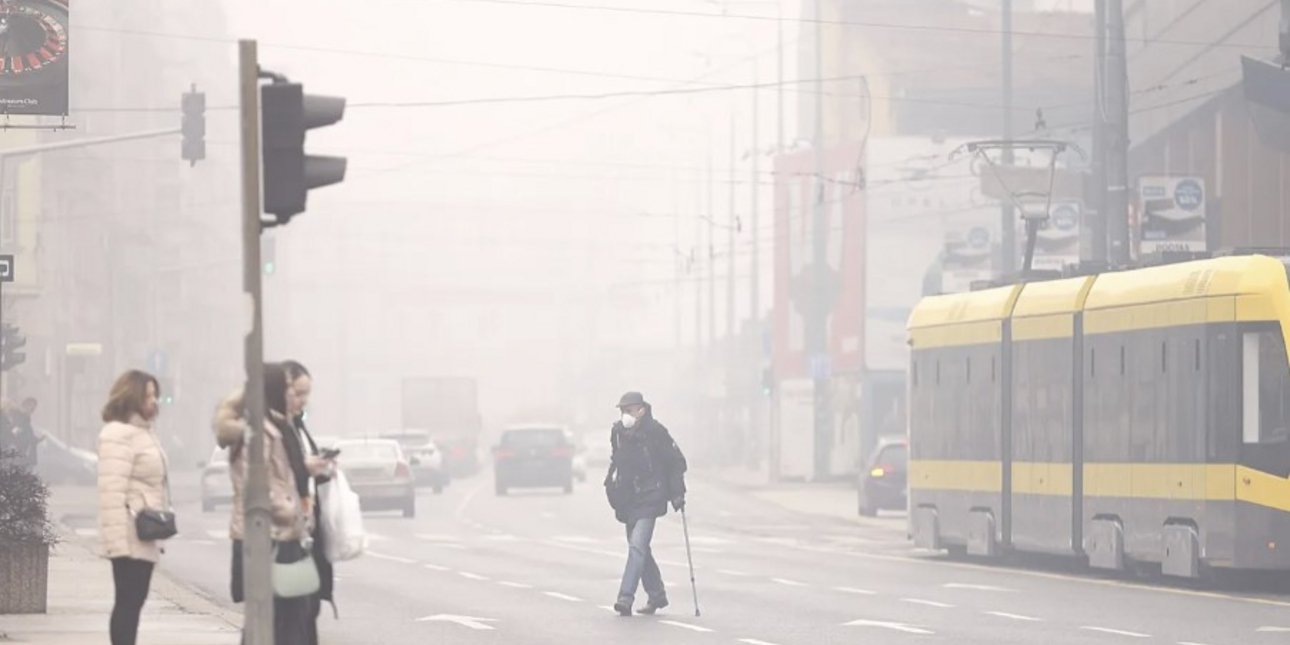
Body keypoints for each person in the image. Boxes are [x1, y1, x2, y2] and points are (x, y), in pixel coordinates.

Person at [212, 363, 316, 645]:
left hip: (279, 535)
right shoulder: (258, 433)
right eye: (287, 388)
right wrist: (290, 507)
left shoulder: (274, 427)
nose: (292, 395)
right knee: (272, 620)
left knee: (284, 618)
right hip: (265, 536)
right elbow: (254, 488)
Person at [96, 371, 168, 645]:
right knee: (127, 603)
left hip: (143, 531)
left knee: (134, 602)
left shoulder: (142, 433)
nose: (154, 402)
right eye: (148, 396)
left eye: (155, 395)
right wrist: (117, 546)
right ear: (132, 397)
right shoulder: (118, 435)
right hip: (128, 533)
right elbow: (111, 492)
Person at [604, 391, 688, 617]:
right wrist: (611, 485)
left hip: (651, 496)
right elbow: (616, 461)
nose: (626, 415)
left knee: (637, 546)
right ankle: (657, 594)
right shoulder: (618, 432)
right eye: (623, 411)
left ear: (642, 410)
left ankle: (625, 598)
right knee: (640, 549)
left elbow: (675, 462)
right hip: (629, 499)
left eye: (630, 410)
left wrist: (677, 492)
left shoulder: (656, 432)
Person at [282, 360, 337, 635]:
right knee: (288, 617)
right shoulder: (277, 429)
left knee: (307, 611)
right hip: (287, 531)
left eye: (306, 394)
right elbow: (280, 473)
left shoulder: (297, 426)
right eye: (299, 393)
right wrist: (306, 467)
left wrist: (322, 470)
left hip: (305, 528)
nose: (303, 401)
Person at [12, 397, 42, 468]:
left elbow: (28, 433)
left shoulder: (25, 419)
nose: (32, 410)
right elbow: (16, 433)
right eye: (31, 407)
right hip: (20, 455)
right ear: (24, 405)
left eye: (33, 409)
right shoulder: (18, 417)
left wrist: (36, 439)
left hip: (24, 455)